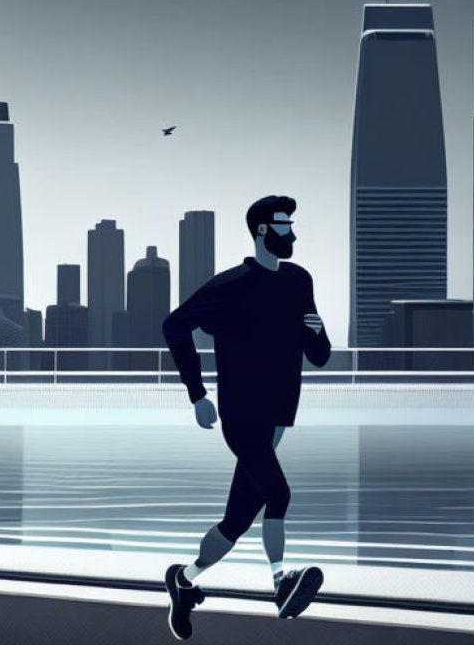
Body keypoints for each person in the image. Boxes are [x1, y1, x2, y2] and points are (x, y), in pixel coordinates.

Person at [161, 195, 331, 639]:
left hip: (277, 417)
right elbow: (174, 325)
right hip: (241, 415)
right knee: (279, 494)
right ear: (261, 232)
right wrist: (197, 394)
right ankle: (280, 585)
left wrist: (318, 333)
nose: (291, 232)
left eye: (292, 223)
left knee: (236, 521)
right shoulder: (230, 286)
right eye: (283, 224)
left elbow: (320, 355)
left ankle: (183, 581)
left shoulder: (299, 281)